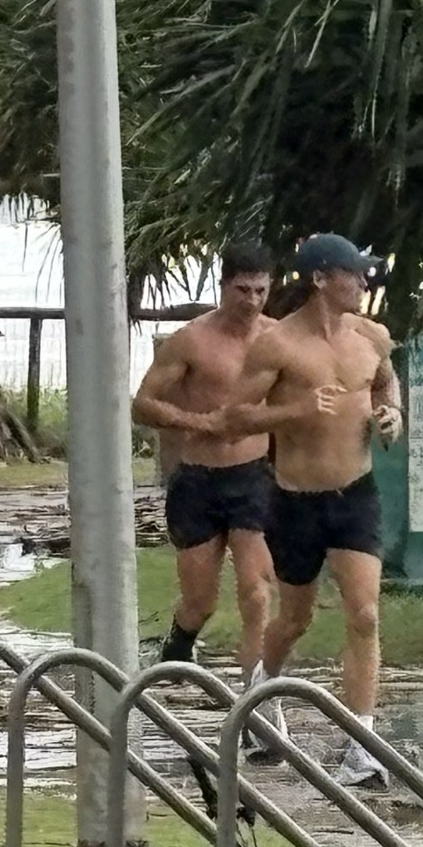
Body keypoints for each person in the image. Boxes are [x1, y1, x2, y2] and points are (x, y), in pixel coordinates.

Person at [221, 233, 402, 788]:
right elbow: (234, 416)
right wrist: (297, 408)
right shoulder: (278, 345)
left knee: (365, 614)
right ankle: (257, 692)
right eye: (355, 274)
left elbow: (386, 383)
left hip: (357, 493)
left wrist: (392, 413)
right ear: (322, 278)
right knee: (295, 618)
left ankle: (360, 745)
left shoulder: (372, 335)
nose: (365, 283)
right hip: (295, 500)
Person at [129, 241, 280, 672]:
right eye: (242, 290)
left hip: (253, 476)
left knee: (256, 590)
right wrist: (200, 423)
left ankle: (256, 693)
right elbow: (143, 404)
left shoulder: (276, 339)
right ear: (223, 286)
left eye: (260, 291)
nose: (251, 300)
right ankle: (179, 644)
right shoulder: (192, 340)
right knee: (201, 600)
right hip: (198, 479)